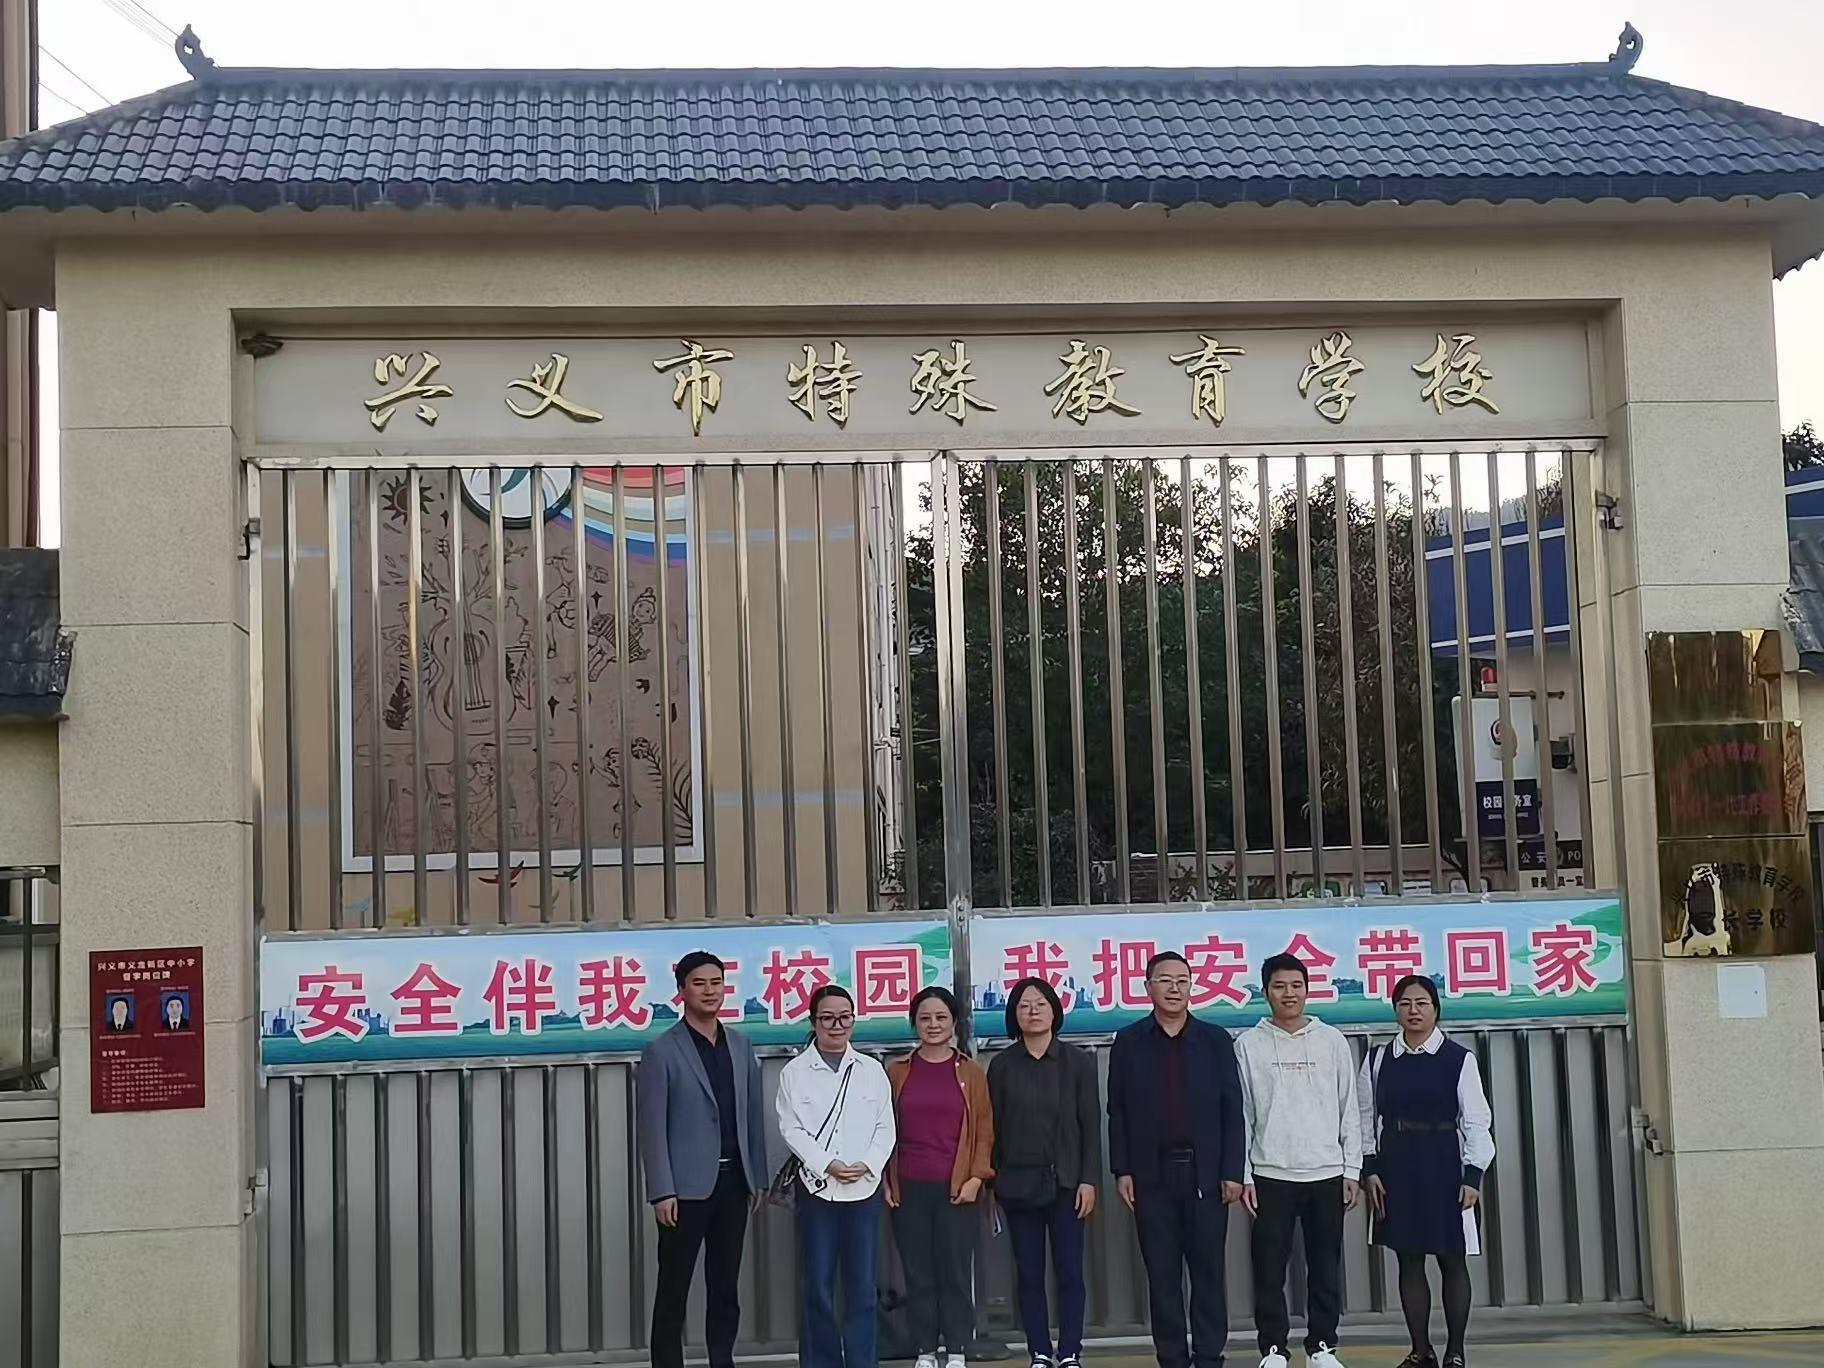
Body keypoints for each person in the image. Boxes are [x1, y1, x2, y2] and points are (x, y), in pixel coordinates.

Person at [1108, 951, 1246, 1368]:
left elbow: (1232, 1110)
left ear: (1191, 986)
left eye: (1182, 980)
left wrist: (1232, 1172)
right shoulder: (1129, 1042)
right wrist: (1122, 1169)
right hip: (1151, 1175)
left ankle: (1208, 1356)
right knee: (1162, 1275)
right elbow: (1118, 1111)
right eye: (1165, 980)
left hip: (1206, 1173)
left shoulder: (1215, 1041)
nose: (1174, 988)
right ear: (1147, 987)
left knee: (1208, 1272)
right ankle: (1171, 1356)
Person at [637, 951, 770, 1368]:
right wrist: (662, 1190)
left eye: (716, 982)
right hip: (684, 1191)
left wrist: (757, 1177)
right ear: (681, 991)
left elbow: (751, 1116)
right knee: (673, 1290)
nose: (710, 991)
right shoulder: (662, 1051)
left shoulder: (741, 1046)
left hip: (734, 1185)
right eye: (699, 983)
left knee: (725, 1287)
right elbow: (652, 1127)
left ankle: (721, 1360)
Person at [1357, 975, 1495, 1368]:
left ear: (1436, 1009)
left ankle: (1455, 1352)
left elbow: (1477, 1120)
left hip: (1444, 1164)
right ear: (1395, 1010)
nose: (1413, 1011)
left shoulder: (1458, 1058)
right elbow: (1365, 1117)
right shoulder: (1379, 1059)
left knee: (1452, 1258)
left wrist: (1473, 1175)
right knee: (1409, 1258)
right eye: (1405, 1004)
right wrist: (1370, 1168)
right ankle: (1421, 1350)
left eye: (1422, 1003)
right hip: (1397, 1166)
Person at [1237, 953, 1363, 1368]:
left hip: (1326, 1172)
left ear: (1308, 989)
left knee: (1325, 1266)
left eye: (1296, 985)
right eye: (1279, 986)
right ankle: (1273, 1349)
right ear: (1265, 991)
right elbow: (1242, 1114)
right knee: (1269, 1269)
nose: (1288, 994)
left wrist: (1351, 1169)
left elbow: (1349, 1108)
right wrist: (1245, 1174)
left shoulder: (1331, 1041)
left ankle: (1322, 1347)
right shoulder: (1249, 1045)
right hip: (1269, 1172)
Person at [778, 983, 896, 1368]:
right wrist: (826, 1163)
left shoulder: (871, 1070)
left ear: (853, 1021)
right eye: (827, 1018)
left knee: (862, 1287)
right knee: (817, 1286)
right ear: (814, 1022)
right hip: (818, 1191)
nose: (836, 1025)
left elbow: (886, 1126)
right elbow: (791, 1128)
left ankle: (862, 1361)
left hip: (864, 1191)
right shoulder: (794, 1073)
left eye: (844, 1017)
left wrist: (870, 1163)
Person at [986, 977, 1101, 1368]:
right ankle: (1038, 1350)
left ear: (1055, 1011)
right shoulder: (1002, 1066)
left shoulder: (1077, 1062)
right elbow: (992, 1129)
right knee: (1029, 1272)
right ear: (1013, 1015)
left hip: (1067, 1183)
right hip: (1018, 1184)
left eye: (1040, 1004)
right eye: (1023, 1005)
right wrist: (994, 1183)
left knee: (1070, 1271)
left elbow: (1090, 1126)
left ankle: (1069, 1351)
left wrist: (1088, 1179)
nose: (1032, 1011)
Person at [886, 986, 995, 1368]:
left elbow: (984, 1131)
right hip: (909, 1186)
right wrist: (886, 1183)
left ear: (954, 1023)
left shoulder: (971, 1072)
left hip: (957, 1188)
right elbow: (882, 1129)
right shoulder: (897, 1071)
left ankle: (957, 1349)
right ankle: (925, 1350)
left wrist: (977, 1178)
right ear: (914, 1023)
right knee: (918, 1274)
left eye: (941, 1017)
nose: (933, 1024)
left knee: (954, 1272)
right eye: (925, 1018)